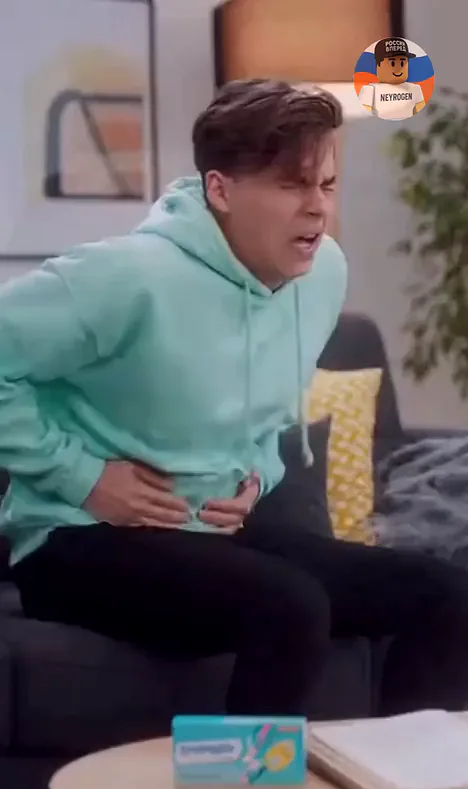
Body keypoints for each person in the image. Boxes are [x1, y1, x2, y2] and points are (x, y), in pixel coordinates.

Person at [1, 79, 467, 720]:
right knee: (290, 607)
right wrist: (84, 478)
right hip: (76, 539)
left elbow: (263, 405)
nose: (317, 208)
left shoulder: (322, 273)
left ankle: (399, 781)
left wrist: (256, 475)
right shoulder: (126, 277)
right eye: (292, 186)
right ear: (220, 190)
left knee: (444, 593)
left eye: (326, 185)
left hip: (210, 533)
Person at [359, 38, 425, 119]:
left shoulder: (415, 89)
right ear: (378, 65)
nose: (398, 68)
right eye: (392, 63)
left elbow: (422, 116)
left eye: (402, 63)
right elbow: (364, 117)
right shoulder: (370, 90)